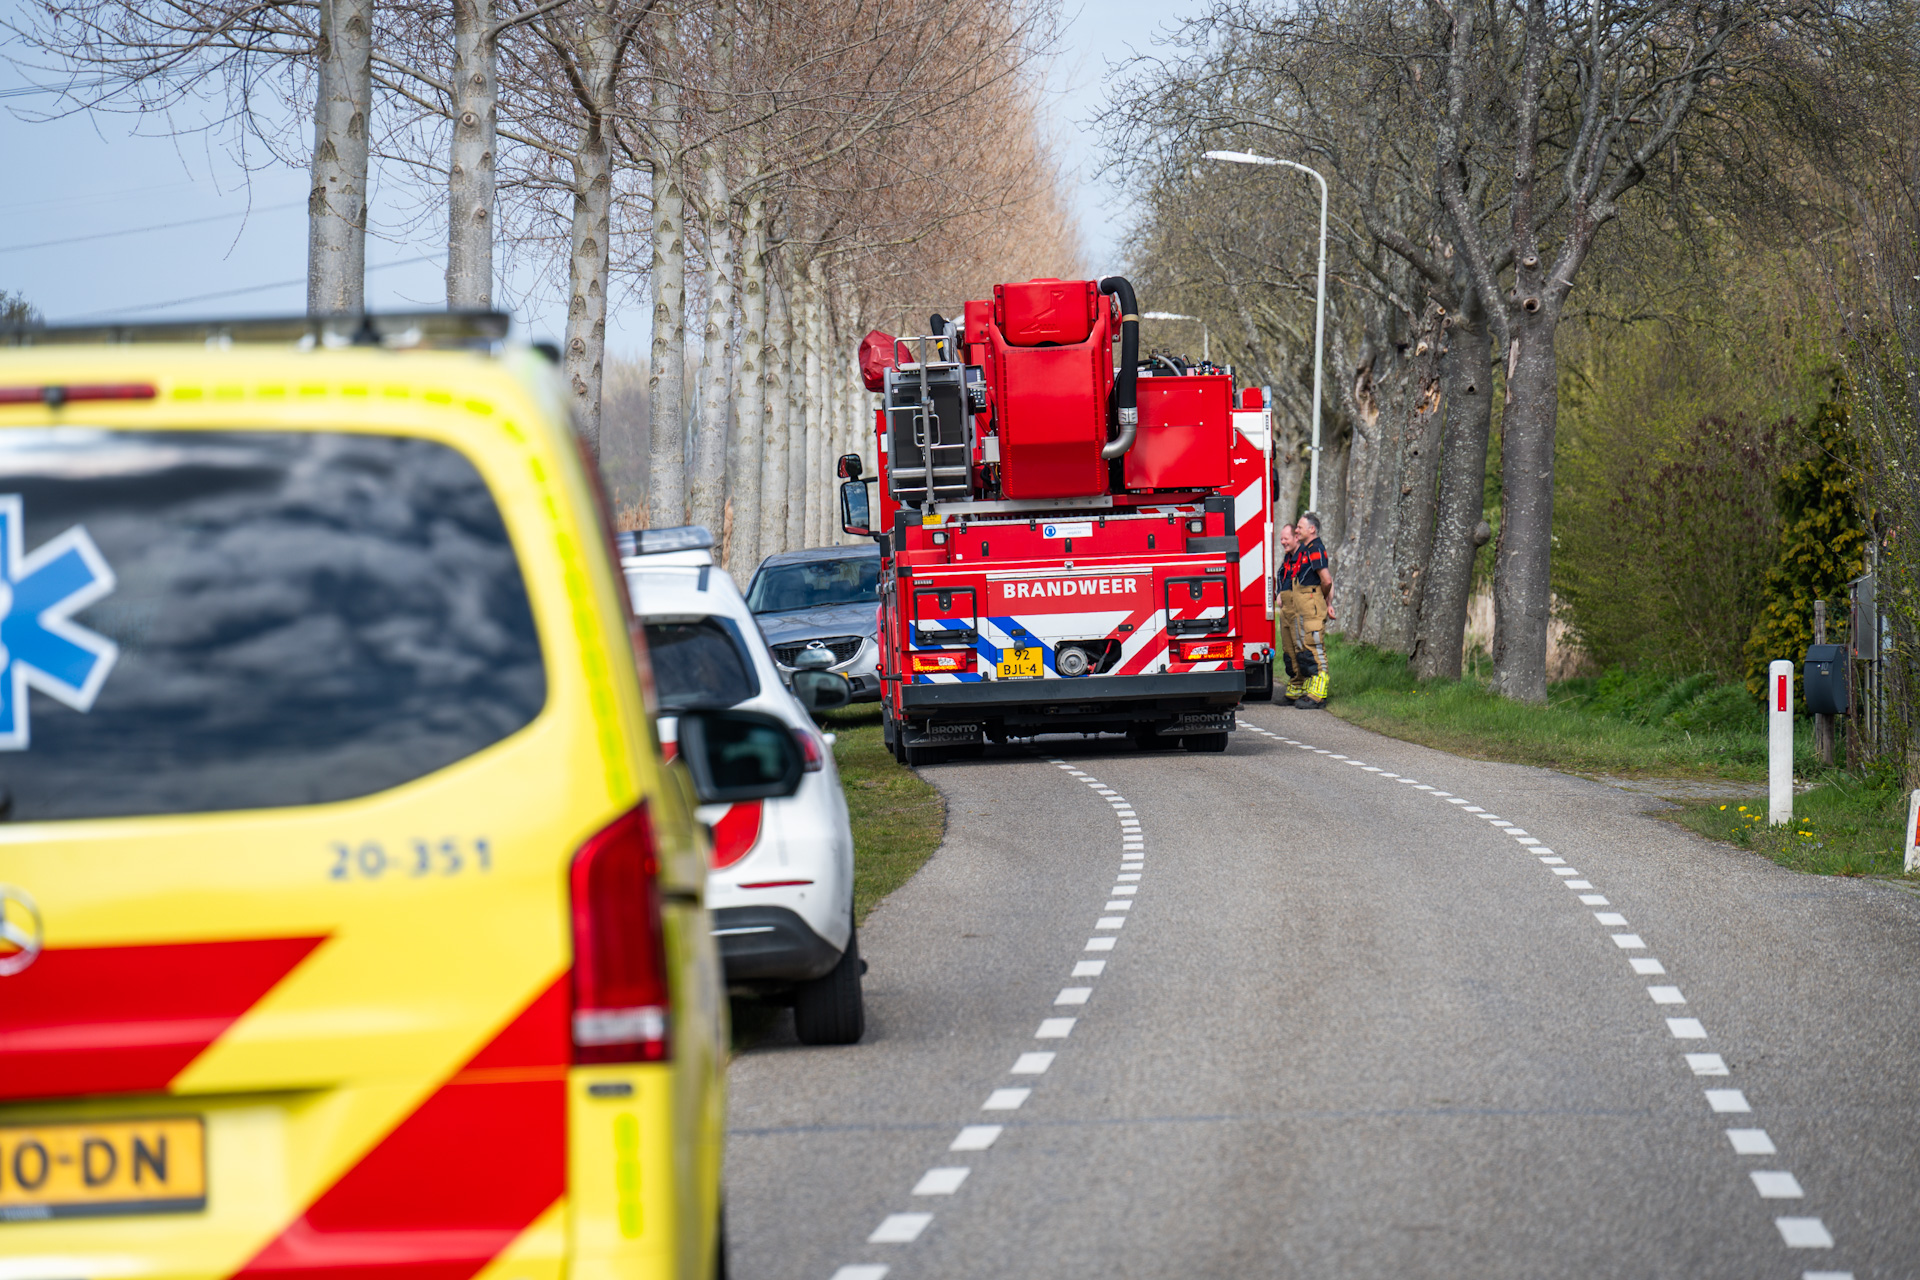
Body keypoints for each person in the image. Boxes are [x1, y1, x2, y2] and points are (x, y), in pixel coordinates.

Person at [1291, 512, 1334, 708]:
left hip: (1311, 602)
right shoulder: (1305, 549)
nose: (1296, 530)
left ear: (1312, 529)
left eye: (1300, 527)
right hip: (1303, 603)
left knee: (1314, 646)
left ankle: (1319, 693)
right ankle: (1311, 689)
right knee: (1305, 647)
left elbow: (1326, 579)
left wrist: (1324, 598)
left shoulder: (1316, 548)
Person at [1274, 522, 1304, 701]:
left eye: (1286, 538)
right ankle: (1294, 686)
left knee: (1301, 646)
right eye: (1281, 539)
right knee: (1288, 649)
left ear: (1296, 537)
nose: (1283, 542)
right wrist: (1279, 593)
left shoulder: (1304, 556)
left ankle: (1303, 685)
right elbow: (1281, 576)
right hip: (1285, 607)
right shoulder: (1288, 558)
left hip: (1299, 606)